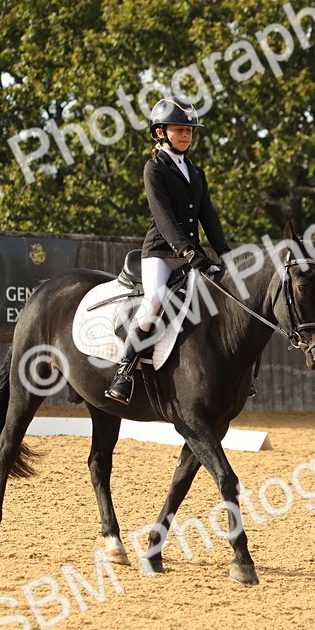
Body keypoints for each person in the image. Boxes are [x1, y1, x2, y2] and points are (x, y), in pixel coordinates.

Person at [104, 96, 234, 405]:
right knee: (155, 301)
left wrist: (225, 253)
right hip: (161, 254)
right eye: (180, 130)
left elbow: (208, 216)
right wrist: (188, 251)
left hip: (191, 256)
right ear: (160, 132)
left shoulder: (196, 172)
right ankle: (124, 371)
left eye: (189, 131)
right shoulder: (154, 168)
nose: (186, 135)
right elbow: (163, 217)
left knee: (219, 298)